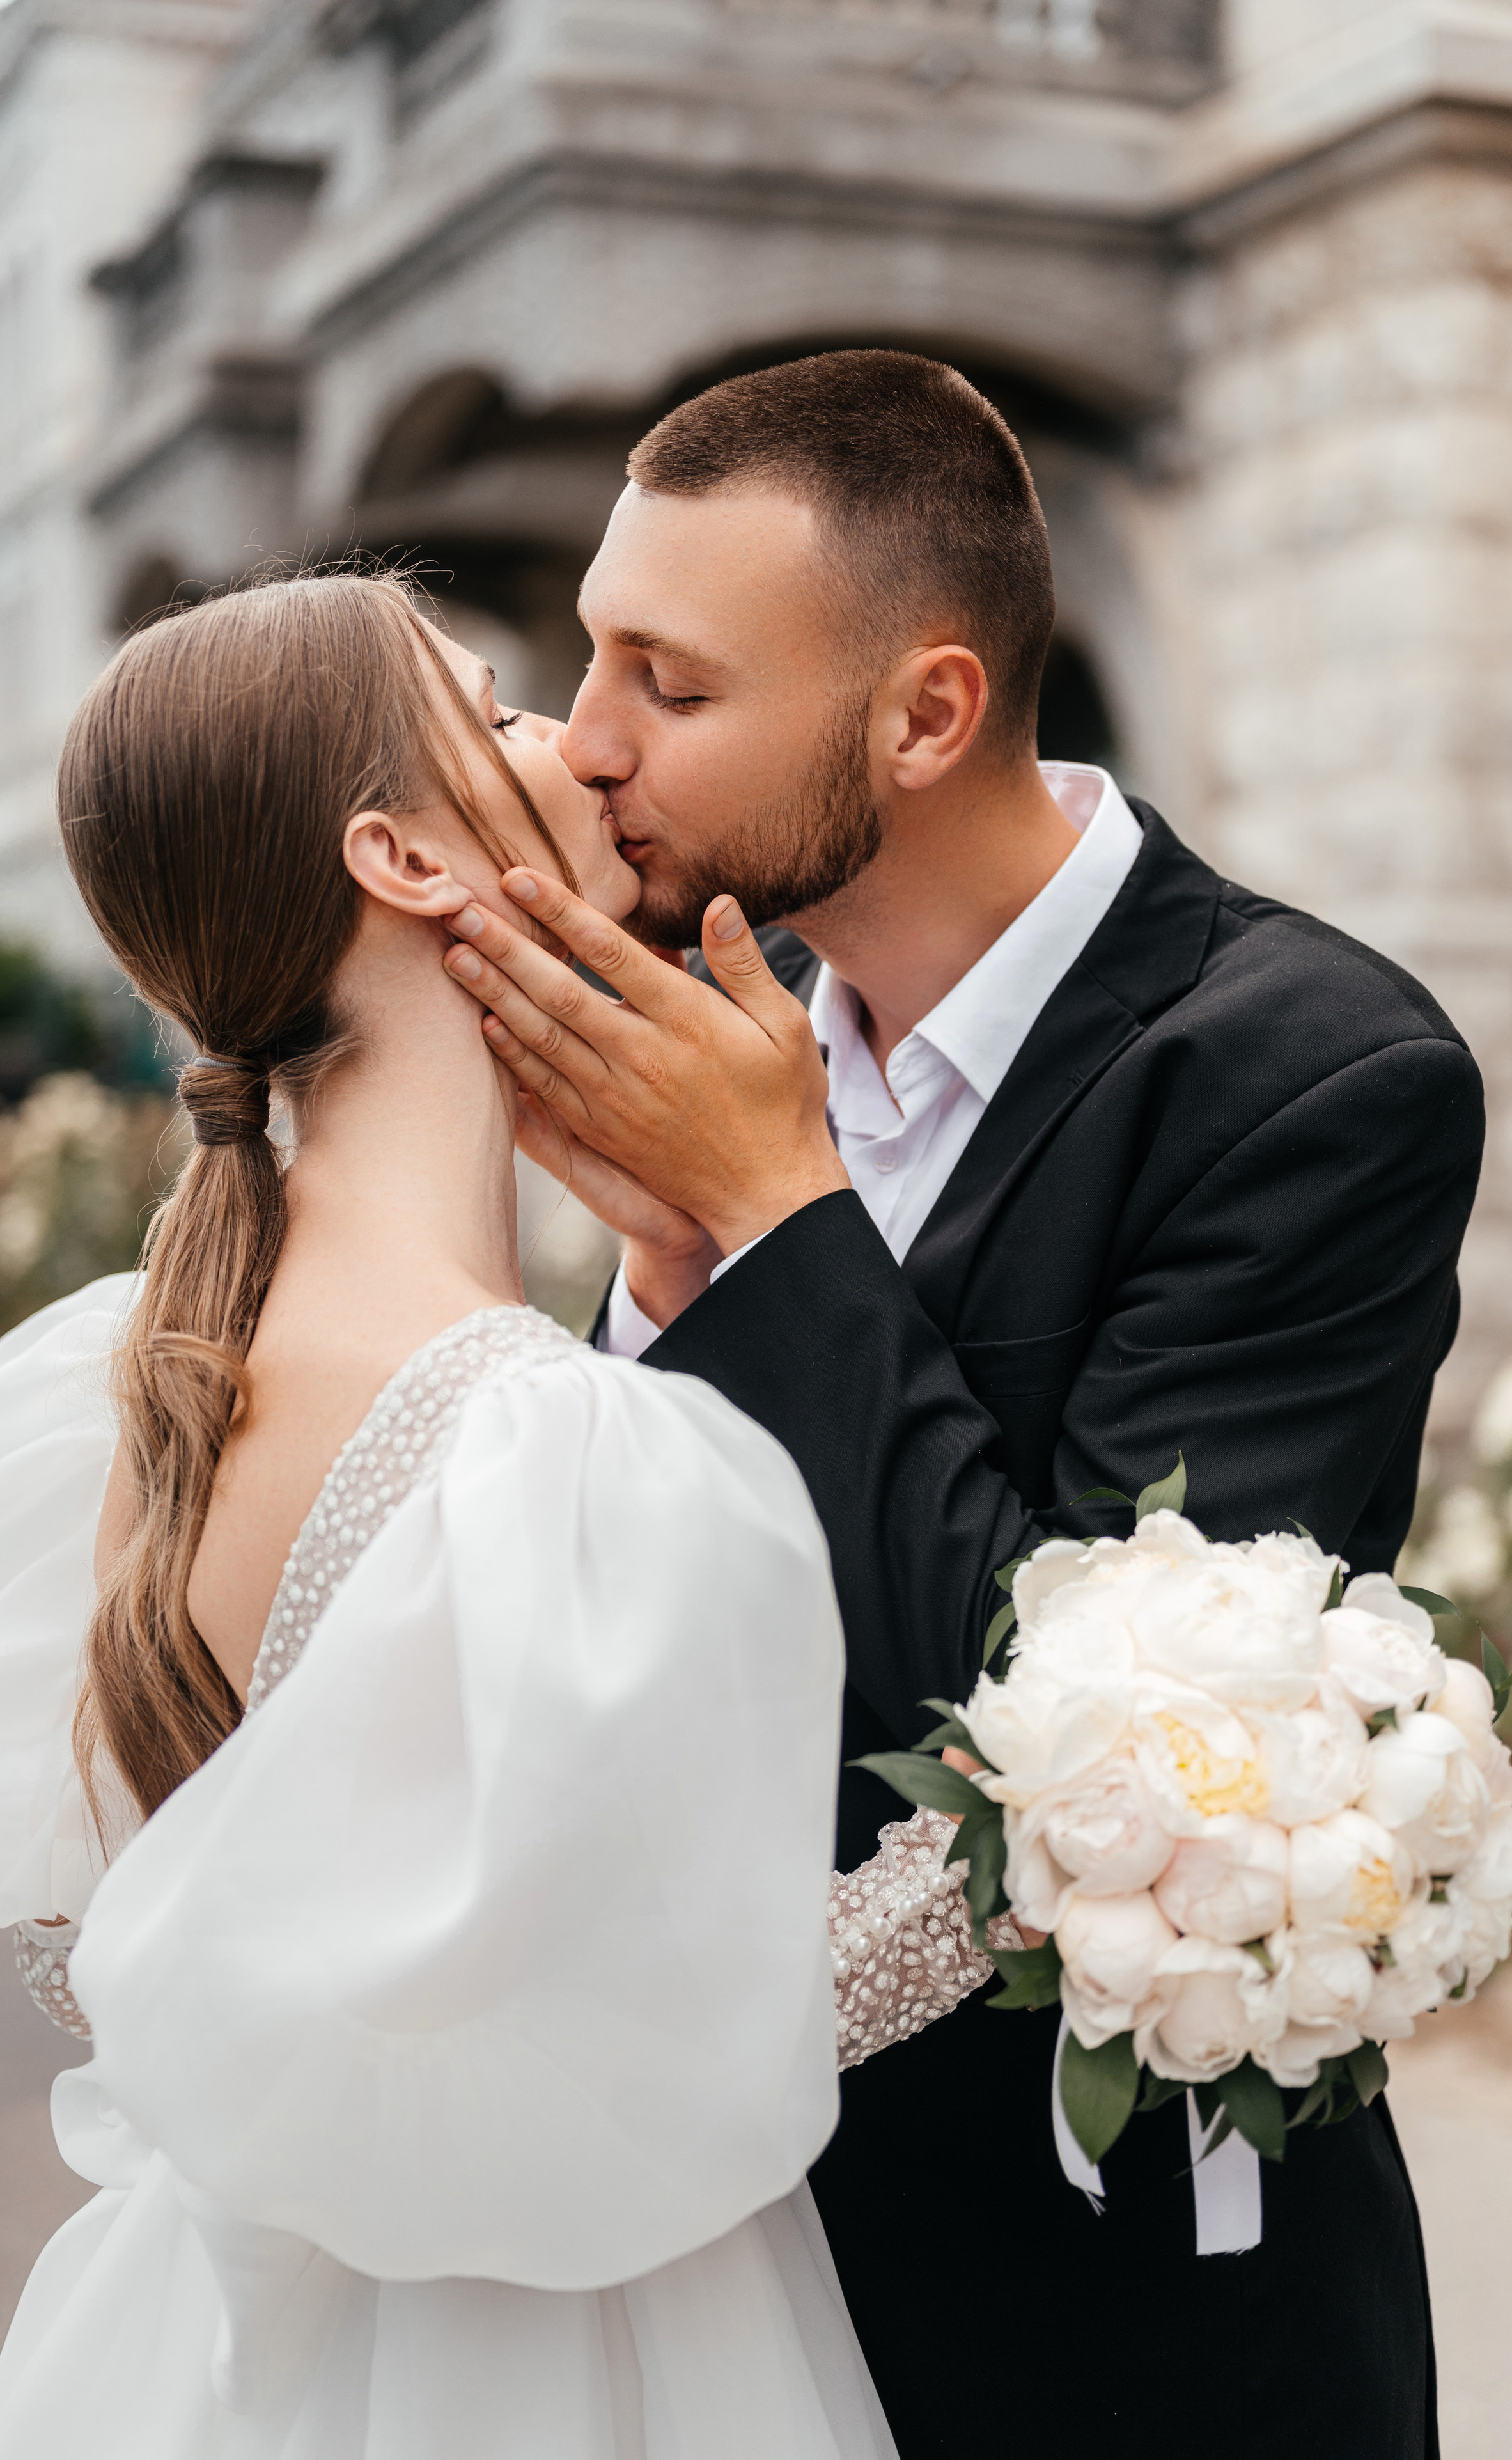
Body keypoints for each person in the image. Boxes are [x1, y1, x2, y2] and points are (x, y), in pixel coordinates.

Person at [436, 350, 1485, 2460]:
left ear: (921, 714)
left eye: (672, 680)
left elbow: (1062, 1734)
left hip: (1116, 2327)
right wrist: (671, 1276)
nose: (589, 743)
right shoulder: (729, 1043)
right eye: (590, 661)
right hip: (733, 2276)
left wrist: (774, 1222)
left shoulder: (1311, 1079)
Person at [0, 574, 995, 2460]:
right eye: (500, 711)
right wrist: (1077, 1837)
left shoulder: (113, 1384)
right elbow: (677, 2028)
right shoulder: (545, 1444)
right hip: (567, 2371)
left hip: (206, 2350)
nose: (575, 739)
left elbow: (104, 1953)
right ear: (399, 853)